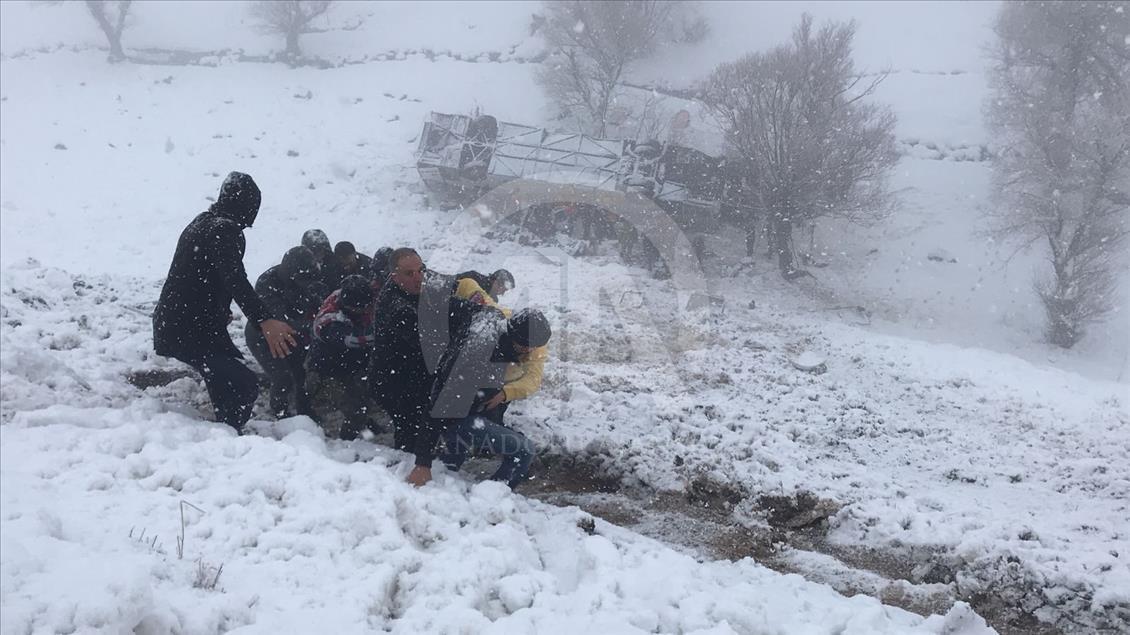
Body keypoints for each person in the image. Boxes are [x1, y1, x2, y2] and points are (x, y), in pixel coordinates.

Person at [153, 172, 297, 433]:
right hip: (188, 328)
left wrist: (218, 308)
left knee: (226, 379)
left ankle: (226, 430)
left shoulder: (203, 222)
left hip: (187, 324)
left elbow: (205, 276)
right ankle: (226, 435)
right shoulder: (224, 229)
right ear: (247, 206)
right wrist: (264, 319)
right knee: (243, 385)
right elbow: (235, 279)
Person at [370, 248, 489, 486]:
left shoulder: (421, 284)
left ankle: (428, 464)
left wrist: (478, 312)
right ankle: (405, 476)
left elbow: (449, 304)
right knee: (409, 426)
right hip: (393, 379)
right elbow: (432, 341)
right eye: (410, 273)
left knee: (426, 418)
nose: (418, 277)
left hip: (418, 371)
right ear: (395, 277)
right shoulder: (394, 307)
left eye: (421, 269)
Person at [426, 308, 552, 488]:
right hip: (463, 419)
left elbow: (531, 380)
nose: (530, 351)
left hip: (466, 415)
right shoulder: (487, 353)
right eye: (526, 346)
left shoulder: (500, 337)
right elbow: (456, 396)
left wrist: (502, 395)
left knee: (448, 467)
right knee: (524, 450)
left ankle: (446, 478)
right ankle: (494, 496)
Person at [244, 246, 326, 419]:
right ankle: (280, 412)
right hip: (263, 336)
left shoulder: (309, 277)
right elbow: (280, 318)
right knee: (282, 376)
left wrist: (324, 315)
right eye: (303, 278)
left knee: (300, 373)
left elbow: (317, 301)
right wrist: (311, 326)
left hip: (295, 333)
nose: (307, 282)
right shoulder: (267, 283)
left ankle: (305, 411)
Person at [305, 275, 381, 441]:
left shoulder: (347, 295)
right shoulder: (331, 323)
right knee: (356, 406)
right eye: (364, 308)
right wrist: (386, 333)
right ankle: (347, 442)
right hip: (328, 370)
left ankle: (364, 424)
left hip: (352, 361)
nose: (368, 310)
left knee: (365, 394)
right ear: (352, 306)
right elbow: (356, 340)